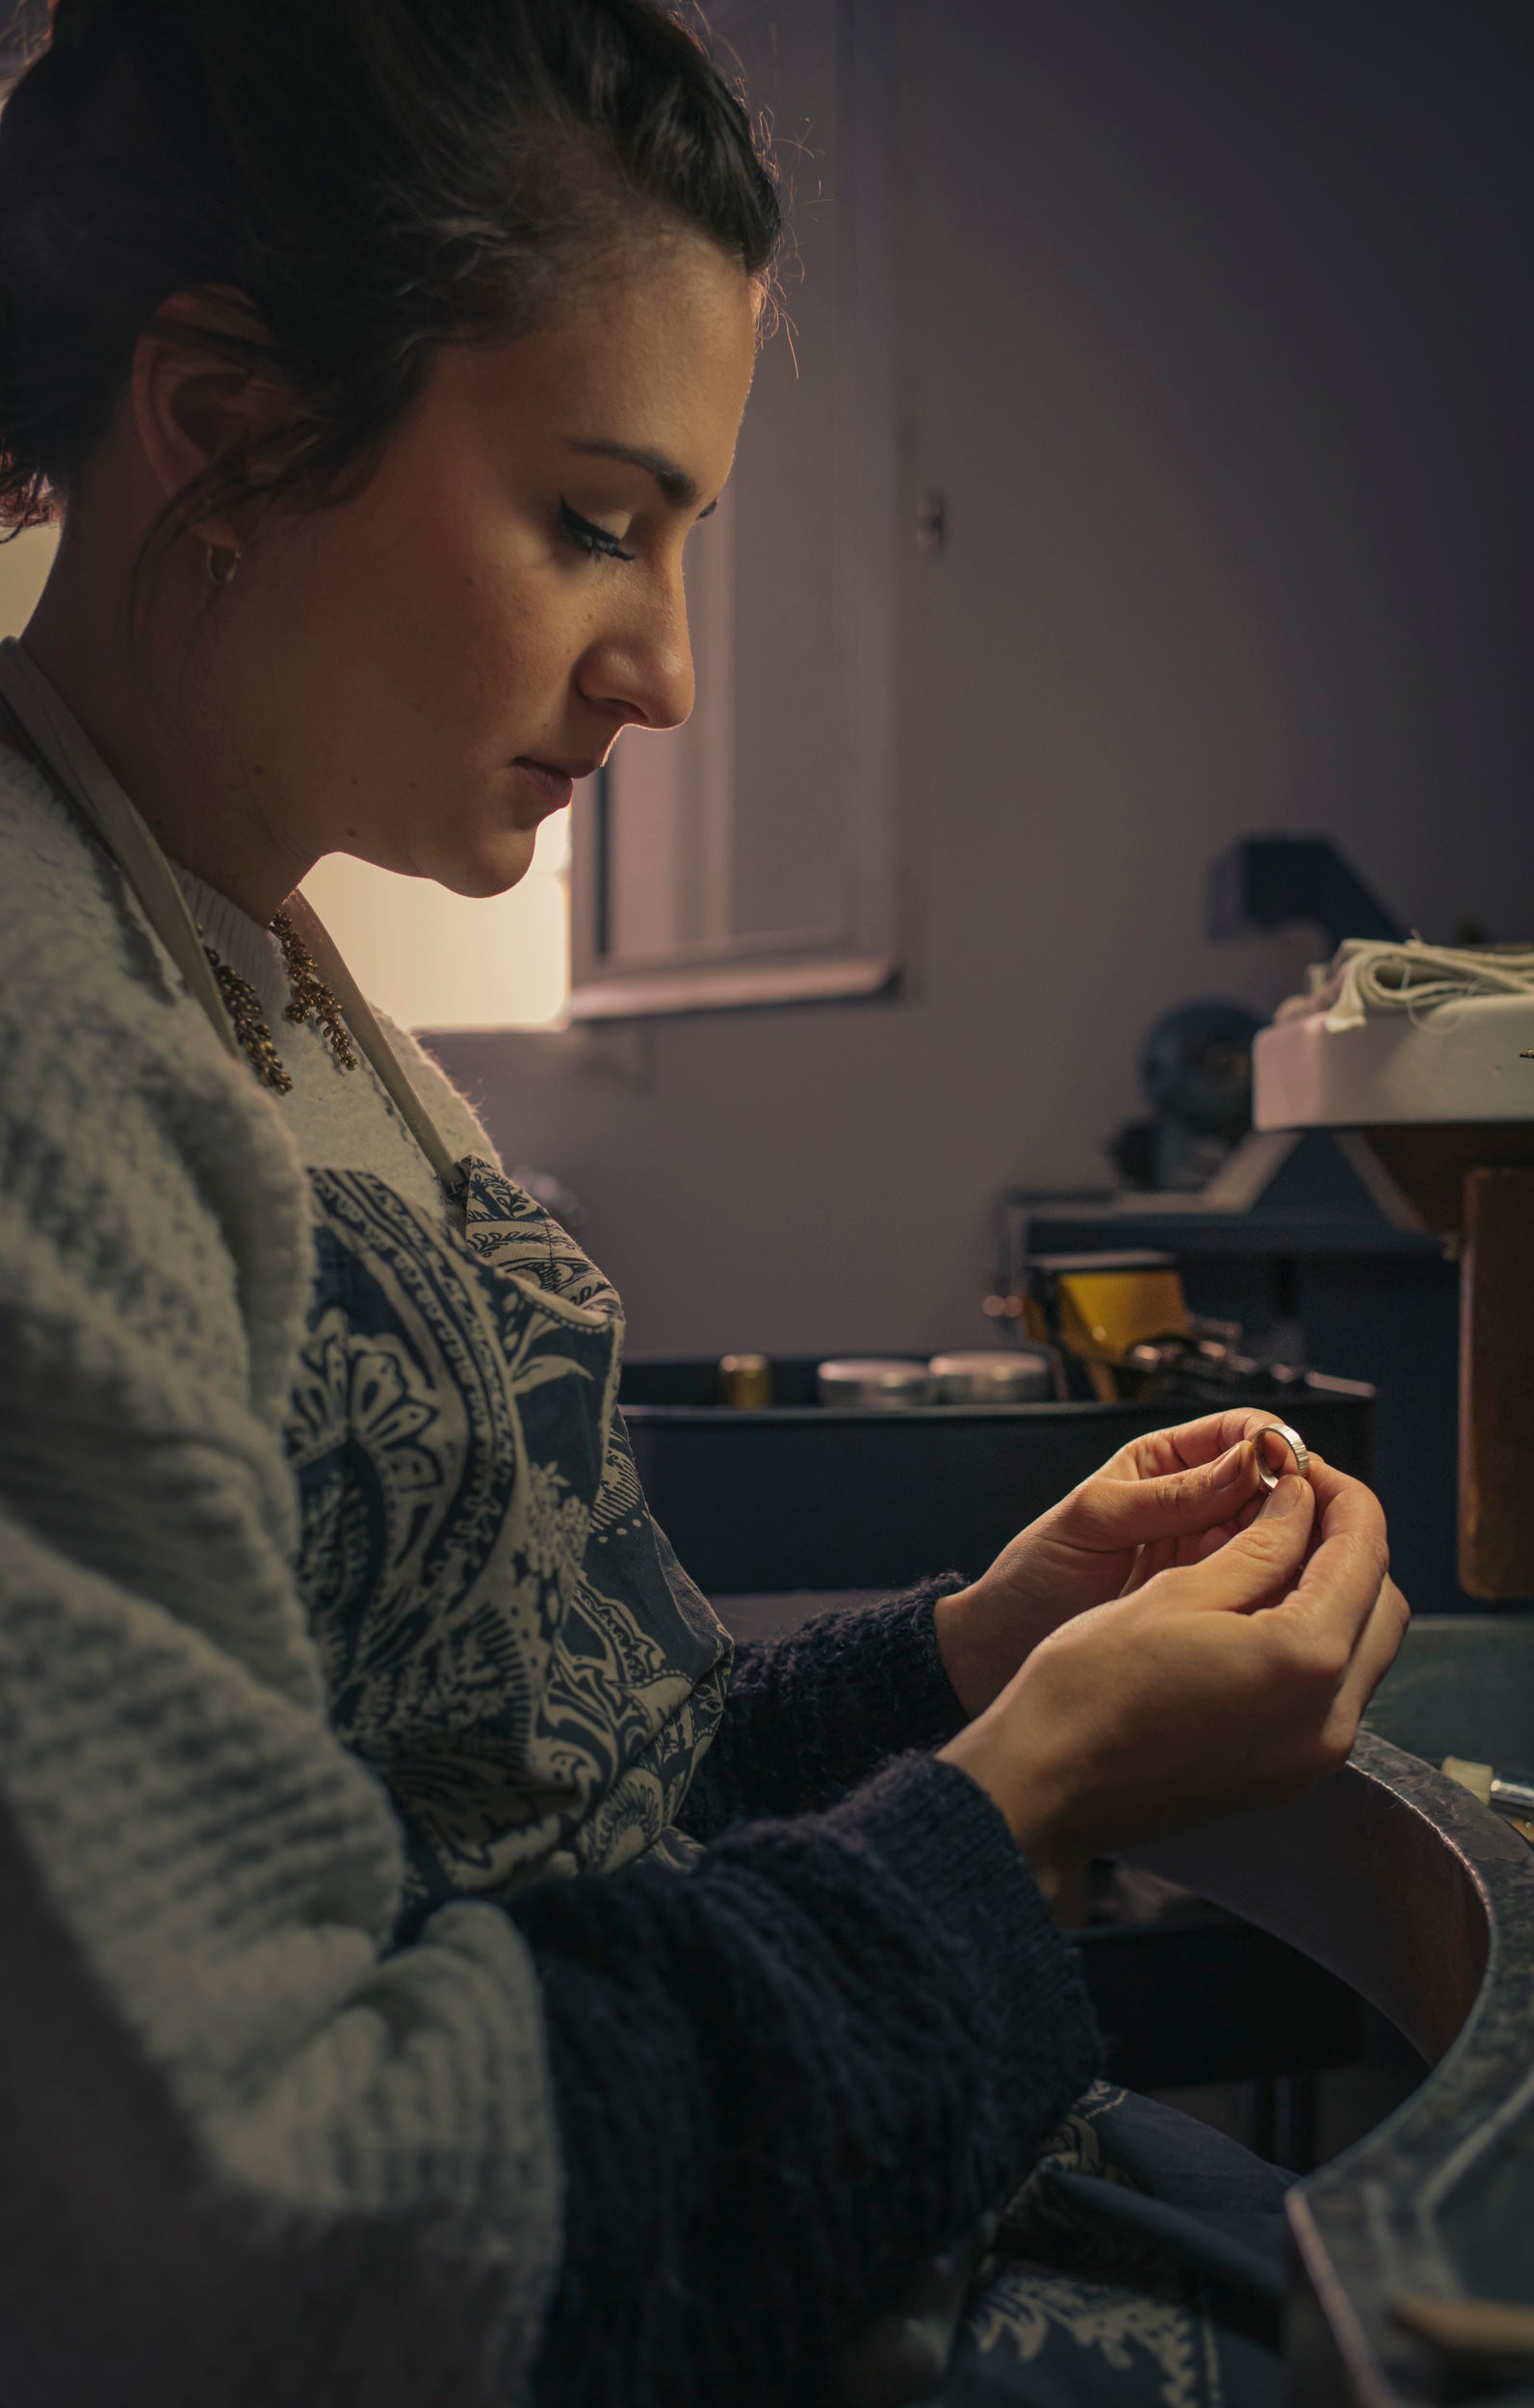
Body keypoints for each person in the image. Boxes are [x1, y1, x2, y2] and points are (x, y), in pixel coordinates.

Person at [0, 4, 1408, 2403]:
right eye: (590, 520)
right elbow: (255, 2233)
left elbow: (543, 1794)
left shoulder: (274, 970)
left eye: (682, 541)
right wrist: (1028, 1797)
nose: (662, 672)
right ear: (222, 420)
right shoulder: (52, 1049)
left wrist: (968, 1654)